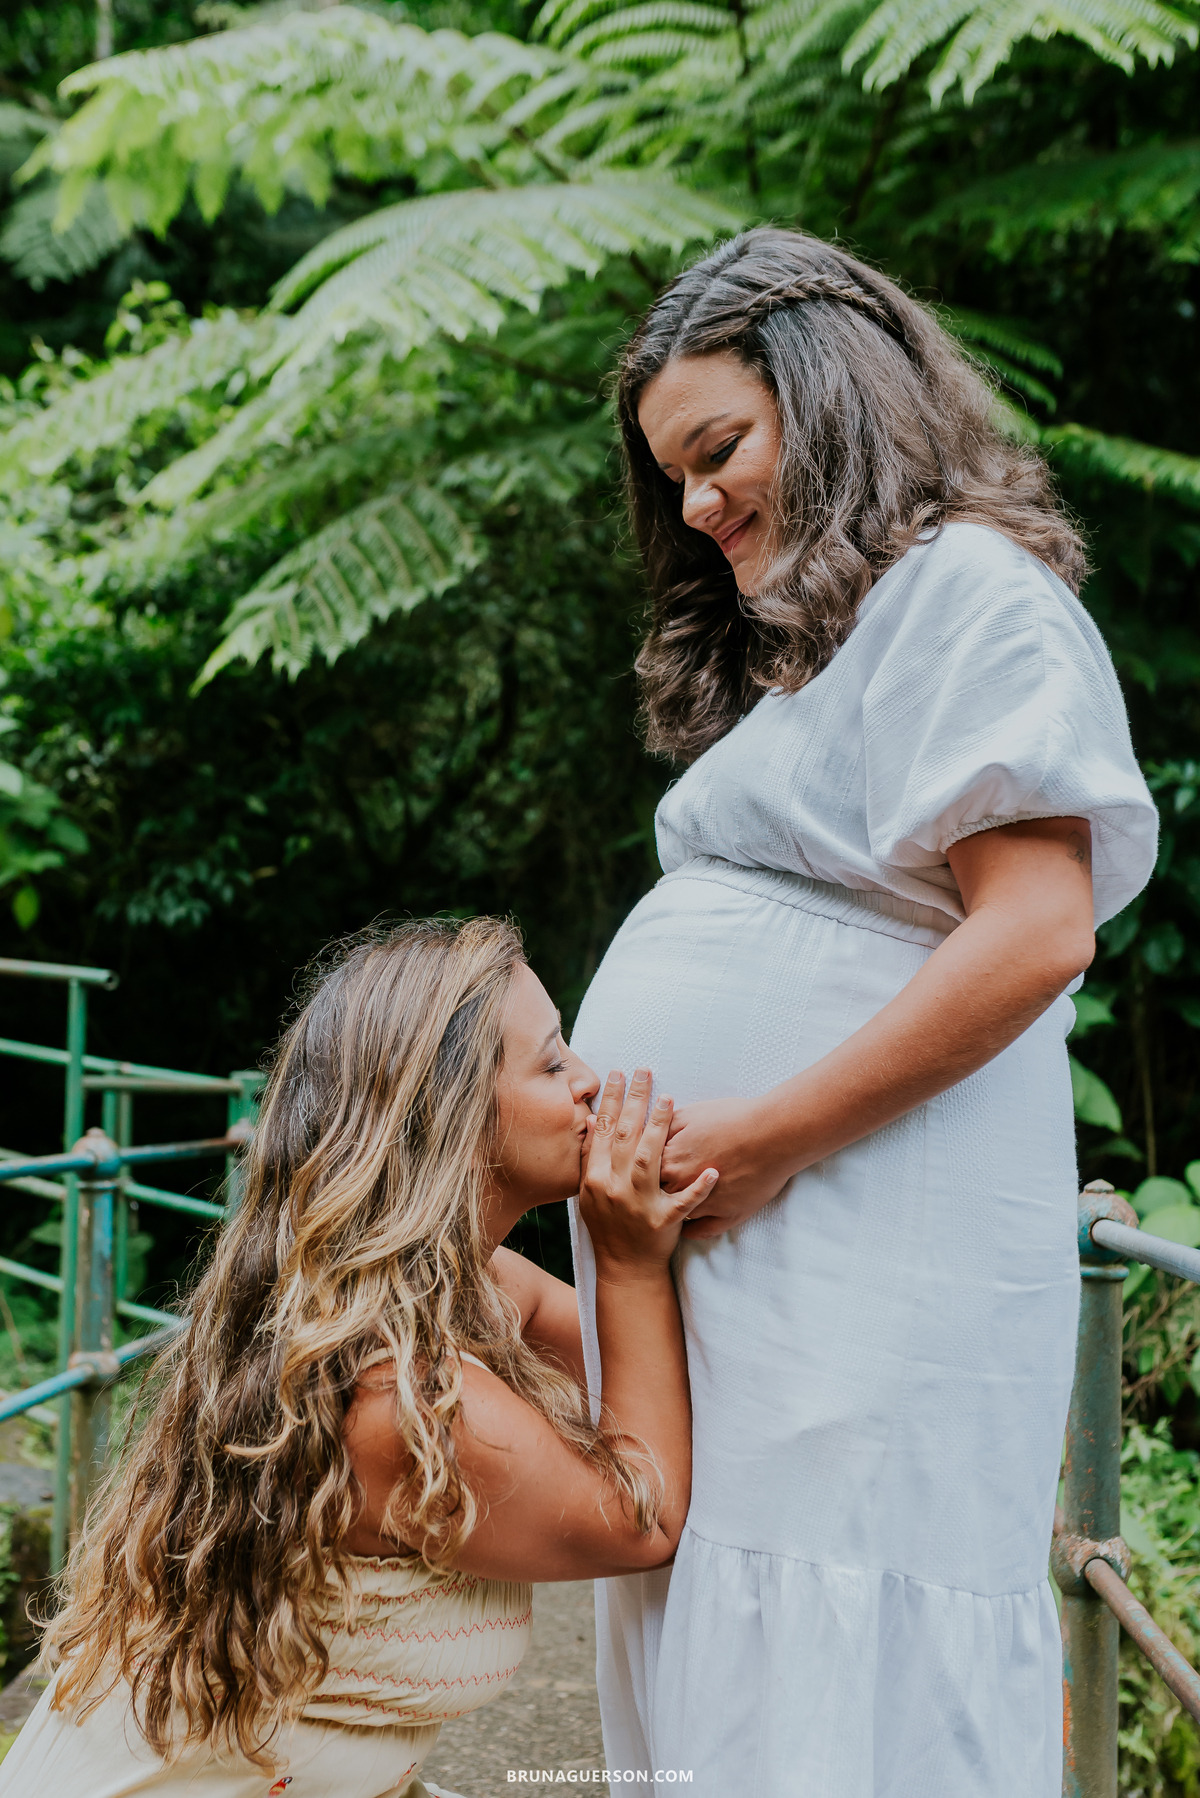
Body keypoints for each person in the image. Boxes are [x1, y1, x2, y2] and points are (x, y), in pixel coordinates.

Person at [567, 228, 1160, 1796]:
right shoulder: (836, 644)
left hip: (854, 1229)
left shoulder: (968, 588)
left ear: (831, 396)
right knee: (747, 1649)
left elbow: (1038, 929)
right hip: (778, 1247)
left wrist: (762, 1136)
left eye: (719, 451)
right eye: (674, 479)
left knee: (839, 1642)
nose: (698, 506)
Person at [1, 918, 714, 1798]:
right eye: (551, 1062)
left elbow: (679, 1368)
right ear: (451, 1117)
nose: (590, 1082)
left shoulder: (465, 1287)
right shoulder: (399, 1396)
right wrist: (630, 1264)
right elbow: (644, 1518)